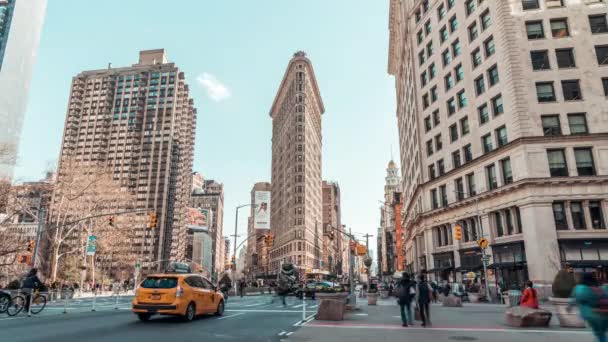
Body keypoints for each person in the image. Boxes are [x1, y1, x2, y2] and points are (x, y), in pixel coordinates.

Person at [574, 272, 608, 342]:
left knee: (600, 334)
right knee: (601, 334)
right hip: (604, 314)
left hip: (593, 315)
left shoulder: (581, 289)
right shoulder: (600, 287)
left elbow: (577, 298)